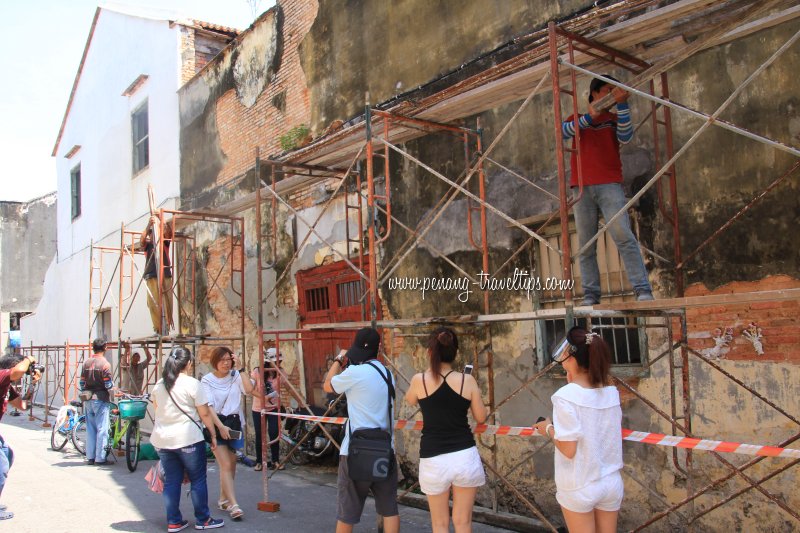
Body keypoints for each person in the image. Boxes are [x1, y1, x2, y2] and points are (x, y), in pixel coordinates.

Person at [562, 75, 654, 306]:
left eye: (615, 91)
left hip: (609, 184)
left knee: (623, 235)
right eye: (608, 91)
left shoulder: (614, 119)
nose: (611, 95)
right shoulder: (577, 118)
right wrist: (590, 116)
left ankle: (642, 289)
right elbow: (564, 133)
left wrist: (622, 104)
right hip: (581, 188)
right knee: (585, 244)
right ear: (594, 93)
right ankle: (591, 295)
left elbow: (625, 136)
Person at [533, 327, 623, 533]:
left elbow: (568, 448)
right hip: (610, 481)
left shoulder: (565, 396)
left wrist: (547, 428)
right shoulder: (611, 393)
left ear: (572, 359)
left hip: (579, 482)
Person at [404, 327, 487, 533]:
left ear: (430, 352)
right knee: (463, 522)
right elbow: (481, 417)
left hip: (433, 458)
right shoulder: (467, 380)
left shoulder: (419, 380)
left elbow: (410, 399)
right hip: (464, 455)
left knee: (439, 524)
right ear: (455, 353)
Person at [323, 327, 399, 533]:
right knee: (389, 509)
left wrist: (339, 360)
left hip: (355, 452)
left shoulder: (354, 373)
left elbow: (328, 385)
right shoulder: (388, 375)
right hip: (385, 450)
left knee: (348, 511)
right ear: (378, 349)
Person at [151, 346, 225, 532]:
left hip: (163, 440)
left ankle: (174, 521)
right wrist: (213, 435)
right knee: (198, 479)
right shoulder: (192, 384)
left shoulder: (159, 385)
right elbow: (205, 414)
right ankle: (203, 519)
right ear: (189, 363)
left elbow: (157, 408)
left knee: (172, 481)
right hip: (188, 439)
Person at [201, 347, 262, 521]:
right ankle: (234, 504)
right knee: (225, 464)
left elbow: (249, 390)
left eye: (228, 359)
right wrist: (220, 427)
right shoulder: (207, 380)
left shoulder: (236, 376)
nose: (226, 363)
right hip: (216, 426)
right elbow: (209, 406)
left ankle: (223, 499)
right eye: (222, 360)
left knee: (231, 465)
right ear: (215, 361)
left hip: (234, 424)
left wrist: (241, 369)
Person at [0, 354, 41, 520]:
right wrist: (30, 359)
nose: (20, 377)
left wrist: (32, 385)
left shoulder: (6, 386)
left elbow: (23, 405)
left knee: (8, 455)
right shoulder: (1, 375)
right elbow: (17, 372)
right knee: (1, 467)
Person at [79, 338, 113, 465]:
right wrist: (114, 389)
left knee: (90, 429)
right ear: (105, 347)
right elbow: (108, 384)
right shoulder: (105, 364)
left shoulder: (86, 363)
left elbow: (82, 383)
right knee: (102, 429)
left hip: (88, 399)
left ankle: (90, 457)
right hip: (101, 399)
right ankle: (100, 458)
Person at [140, 215, 174, 335]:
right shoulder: (148, 245)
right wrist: (149, 225)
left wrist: (160, 217)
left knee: (167, 300)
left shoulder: (164, 242)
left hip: (164, 273)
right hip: (152, 275)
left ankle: (167, 326)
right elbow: (142, 240)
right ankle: (158, 328)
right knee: (153, 303)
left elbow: (168, 232)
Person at [251, 348, 283, 471]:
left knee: (274, 432)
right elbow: (250, 389)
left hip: (274, 408)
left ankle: (275, 460)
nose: (278, 363)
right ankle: (260, 461)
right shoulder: (257, 372)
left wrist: (301, 402)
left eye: (279, 360)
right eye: (275, 360)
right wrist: (263, 397)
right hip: (258, 409)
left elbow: (289, 388)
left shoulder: (280, 372)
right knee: (260, 435)